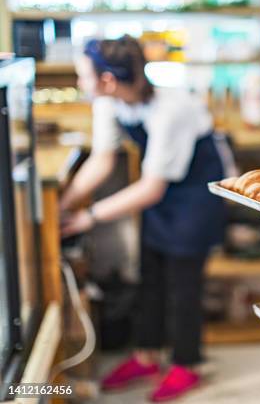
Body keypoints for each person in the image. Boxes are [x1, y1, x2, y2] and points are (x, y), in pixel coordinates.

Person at [61, 35, 234, 402]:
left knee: (183, 286)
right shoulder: (109, 101)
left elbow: (151, 188)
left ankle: (188, 364)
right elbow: (101, 159)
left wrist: (88, 217)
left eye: (83, 76)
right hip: (163, 190)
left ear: (107, 79)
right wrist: (63, 204)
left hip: (196, 192)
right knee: (150, 276)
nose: (80, 83)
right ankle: (147, 355)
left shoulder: (172, 108)